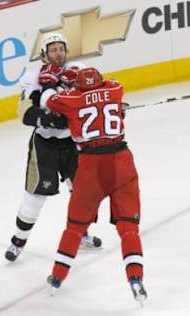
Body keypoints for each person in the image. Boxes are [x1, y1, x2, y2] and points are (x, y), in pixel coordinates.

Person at [41, 68, 147, 305]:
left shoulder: (72, 98)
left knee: (75, 228)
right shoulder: (115, 89)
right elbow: (108, 89)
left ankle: (57, 276)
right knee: (129, 228)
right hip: (122, 163)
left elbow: (47, 100)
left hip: (91, 168)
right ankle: (136, 279)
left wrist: (53, 83)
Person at [4, 32, 102, 262]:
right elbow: (25, 113)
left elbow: (92, 97)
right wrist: (48, 119)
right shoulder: (33, 77)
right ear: (44, 54)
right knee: (35, 197)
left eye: (61, 48)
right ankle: (18, 241)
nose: (58, 53)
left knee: (81, 191)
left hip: (73, 142)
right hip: (45, 144)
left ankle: (81, 234)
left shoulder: (78, 70)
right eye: (53, 49)